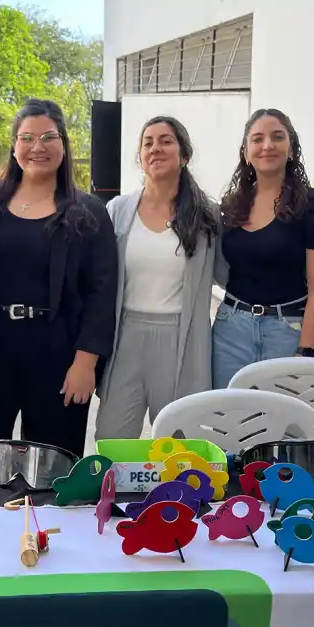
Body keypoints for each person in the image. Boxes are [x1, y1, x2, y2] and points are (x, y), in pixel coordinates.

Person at [0, 98, 117, 457]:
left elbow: (102, 290)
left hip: (58, 351)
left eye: (49, 137)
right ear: (14, 146)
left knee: (54, 462)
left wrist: (86, 363)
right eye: (27, 138)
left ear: (63, 144)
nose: (38, 147)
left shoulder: (88, 211)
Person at [94, 116, 219, 440]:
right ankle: (116, 494)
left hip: (181, 337)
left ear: (184, 155)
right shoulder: (118, 210)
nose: (155, 148)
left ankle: (174, 495)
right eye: (148, 142)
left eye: (165, 141)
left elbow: (232, 271)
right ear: (140, 156)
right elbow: (99, 277)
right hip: (126, 336)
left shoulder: (207, 214)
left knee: (178, 443)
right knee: (112, 439)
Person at [211, 108, 314, 389]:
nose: (267, 145)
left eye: (277, 137)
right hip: (231, 331)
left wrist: (306, 351)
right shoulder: (231, 207)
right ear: (246, 152)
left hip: (288, 331)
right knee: (229, 424)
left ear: (291, 149)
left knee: (287, 427)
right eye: (257, 139)